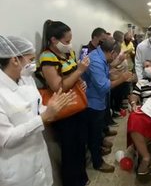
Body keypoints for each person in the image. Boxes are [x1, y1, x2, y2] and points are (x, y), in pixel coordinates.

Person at [0, 35, 74, 186]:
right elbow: (6, 138)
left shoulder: (27, 79)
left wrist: (54, 109)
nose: (34, 64)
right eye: (31, 59)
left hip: (39, 156)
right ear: (15, 60)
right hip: (17, 167)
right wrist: (45, 115)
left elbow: (38, 109)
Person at [37, 20, 90, 186]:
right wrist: (80, 71)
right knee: (69, 149)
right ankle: (74, 182)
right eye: (66, 41)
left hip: (78, 104)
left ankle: (82, 178)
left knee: (81, 143)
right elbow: (57, 87)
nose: (69, 44)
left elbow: (73, 75)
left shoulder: (69, 53)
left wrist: (81, 80)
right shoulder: (47, 57)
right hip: (64, 108)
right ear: (54, 40)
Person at [82, 38, 132, 173]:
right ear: (113, 53)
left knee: (97, 131)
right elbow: (103, 87)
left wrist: (116, 75)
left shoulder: (100, 56)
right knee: (93, 133)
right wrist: (122, 79)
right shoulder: (96, 61)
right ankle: (98, 162)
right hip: (92, 103)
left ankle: (98, 148)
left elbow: (105, 75)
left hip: (98, 101)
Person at [110, 31, 131, 119]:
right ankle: (116, 108)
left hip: (122, 74)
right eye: (122, 38)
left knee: (122, 92)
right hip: (116, 76)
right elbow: (112, 63)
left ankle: (119, 105)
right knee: (116, 94)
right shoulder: (114, 48)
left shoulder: (119, 47)